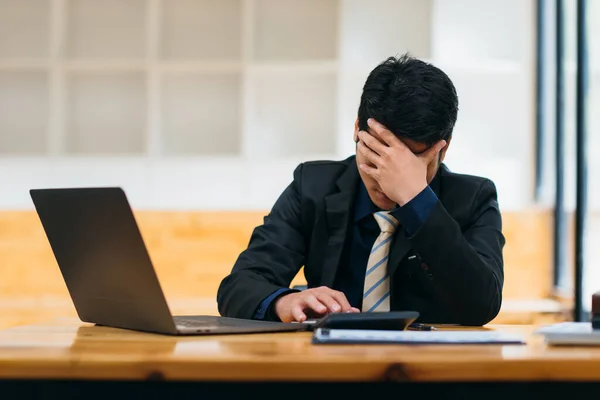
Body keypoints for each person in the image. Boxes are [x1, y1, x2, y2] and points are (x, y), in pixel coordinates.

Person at [217, 54, 505, 326]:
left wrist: (417, 199)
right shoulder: (313, 187)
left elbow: (481, 305)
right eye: (376, 155)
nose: (387, 178)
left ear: (445, 148)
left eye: (409, 163)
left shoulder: (473, 199)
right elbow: (239, 286)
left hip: (430, 369)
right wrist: (285, 301)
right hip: (332, 367)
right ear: (357, 128)